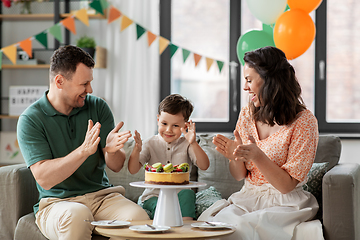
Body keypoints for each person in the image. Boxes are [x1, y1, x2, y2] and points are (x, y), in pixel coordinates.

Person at [16, 45, 149, 240]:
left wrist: (111, 151)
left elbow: (116, 165)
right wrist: (83, 151)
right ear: (59, 81)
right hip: (57, 203)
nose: (90, 89)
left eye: (90, 82)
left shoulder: (98, 106)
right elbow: (45, 178)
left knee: (138, 218)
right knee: (78, 215)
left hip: (103, 197)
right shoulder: (31, 119)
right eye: (84, 84)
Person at [198, 46, 323, 240]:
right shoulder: (247, 113)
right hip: (247, 197)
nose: (245, 87)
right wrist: (235, 157)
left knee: (244, 227)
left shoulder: (304, 122)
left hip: (285, 203)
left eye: (249, 80)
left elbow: (286, 186)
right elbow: (239, 175)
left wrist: (257, 155)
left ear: (270, 80)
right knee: (219, 227)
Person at [128, 94, 210, 220]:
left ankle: (185, 229)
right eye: (164, 123)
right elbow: (133, 170)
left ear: (185, 125)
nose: (168, 130)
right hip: (153, 196)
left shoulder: (187, 144)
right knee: (163, 209)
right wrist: (136, 150)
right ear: (158, 119)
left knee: (188, 194)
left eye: (175, 126)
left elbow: (204, 166)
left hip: (180, 195)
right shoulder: (150, 143)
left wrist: (193, 142)